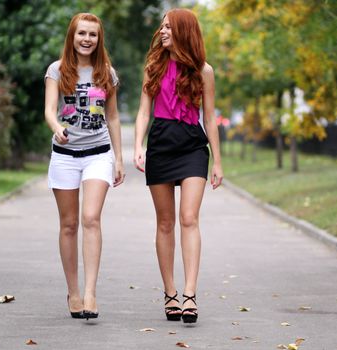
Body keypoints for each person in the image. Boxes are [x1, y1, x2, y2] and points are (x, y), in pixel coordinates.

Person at [134, 8, 223, 324]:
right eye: (162, 27)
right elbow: (144, 111)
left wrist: (218, 162)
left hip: (192, 146)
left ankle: (189, 295)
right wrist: (138, 146)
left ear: (184, 31)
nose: (163, 32)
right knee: (165, 222)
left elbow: (210, 118)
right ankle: (170, 293)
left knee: (189, 218)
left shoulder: (204, 70)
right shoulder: (153, 67)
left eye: (169, 27)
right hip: (160, 142)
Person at [44, 12, 124, 320]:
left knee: (91, 218)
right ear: (72, 37)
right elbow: (50, 111)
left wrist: (118, 158)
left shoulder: (107, 72)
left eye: (92, 34)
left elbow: (113, 117)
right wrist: (57, 128)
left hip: (98, 153)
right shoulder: (57, 70)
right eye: (81, 34)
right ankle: (73, 292)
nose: (87, 39)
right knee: (69, 224)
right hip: (64, 155)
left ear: (98, 38)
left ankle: (91, 292)